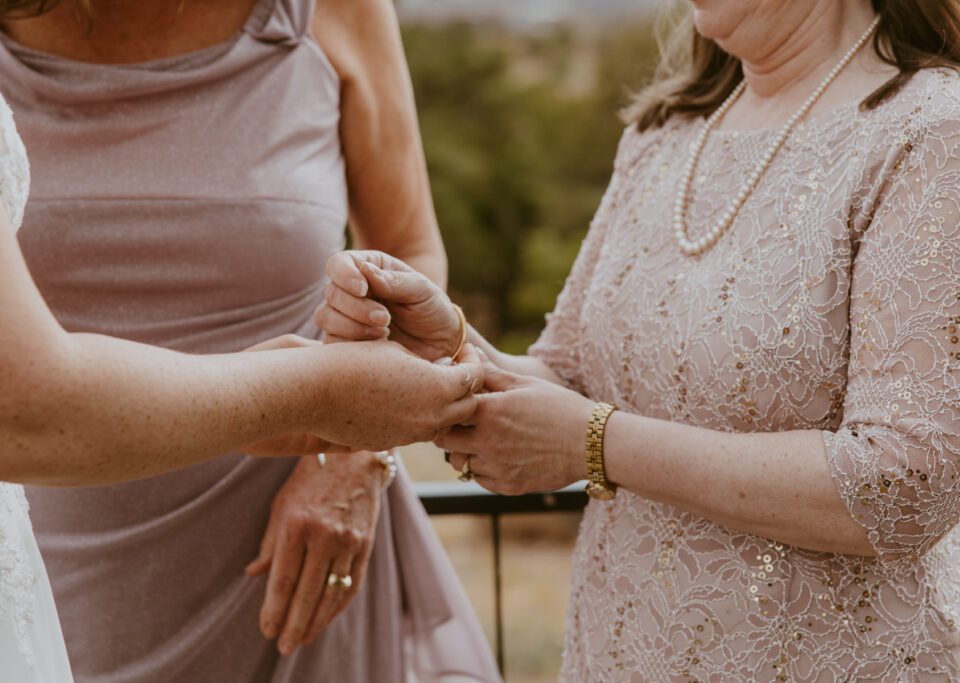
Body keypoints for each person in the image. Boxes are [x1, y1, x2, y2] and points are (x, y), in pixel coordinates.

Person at [318, 0, 960, 679]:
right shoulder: (664, 135)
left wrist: (594, 442)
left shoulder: (930, 132)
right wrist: (452, 347)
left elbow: (902, 483)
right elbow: (569, 374)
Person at [0, 0, 487, 681]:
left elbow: (408, 252)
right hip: (38, 555)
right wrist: (314, 391)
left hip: (295, 558)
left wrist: (350, 464)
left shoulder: (337, 12)